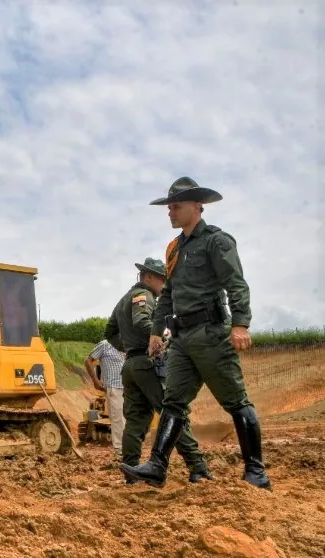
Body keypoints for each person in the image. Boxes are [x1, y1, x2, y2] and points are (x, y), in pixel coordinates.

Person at [121, 177, 271, 490]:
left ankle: (256, 473)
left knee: (235, 401)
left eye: (176, 206)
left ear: (197, 207)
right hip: (182, 339)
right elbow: (168, 294)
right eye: (169, 207)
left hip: (211, 334)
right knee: (173, 402)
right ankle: (157, 466)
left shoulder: (217, 241)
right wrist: (155, 331)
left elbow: (236, 283)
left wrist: (240, 324)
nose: (170, 212)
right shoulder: (174, 248)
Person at [105, 257, 213, 484]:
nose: (165, 285)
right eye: (162, 280)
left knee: (135, 421)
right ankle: (197, 466)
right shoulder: (143, 296)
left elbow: (110, 332)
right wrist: (162, 337)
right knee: (172, 413)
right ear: (148, 277)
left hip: (131, 366)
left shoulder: (123, 300)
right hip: (147, 365)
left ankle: (132, 471)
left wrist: (128, 347)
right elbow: (141, 321)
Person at [84, 339, 126, 457]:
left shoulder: (127, 344)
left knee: (126, 420)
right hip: (114, 387)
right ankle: (121, 452)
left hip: (128, 387)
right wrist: (96, 381)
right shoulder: (105, 345)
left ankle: (128, 450)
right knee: (118, 419)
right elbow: (88, 361)